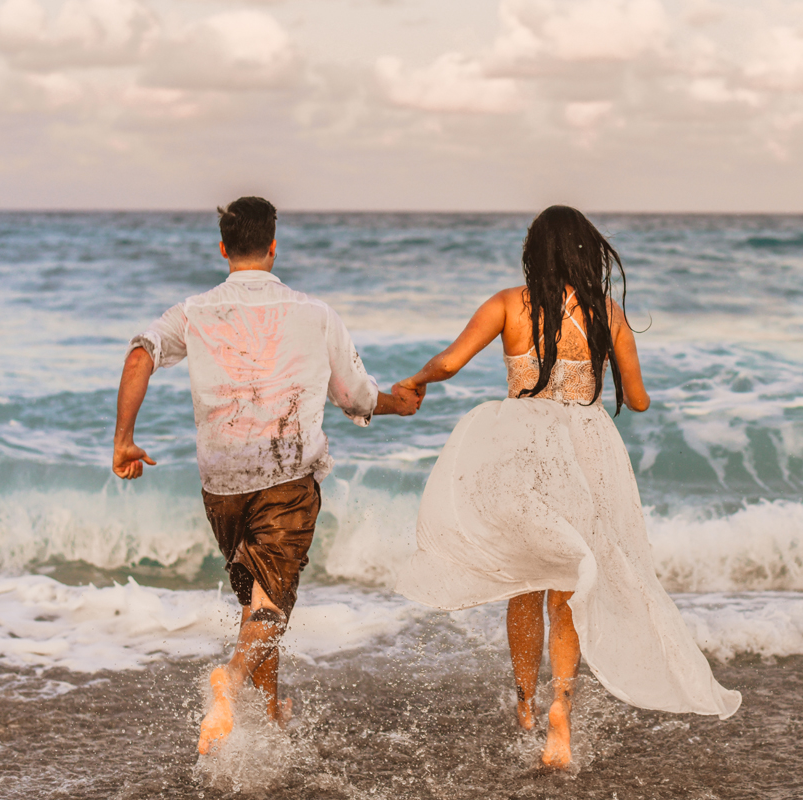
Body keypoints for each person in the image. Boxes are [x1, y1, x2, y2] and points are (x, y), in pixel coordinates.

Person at [395, 205, 740, 768]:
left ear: (535, 251)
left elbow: (451, 362)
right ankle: (561, 706)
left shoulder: (508, 303)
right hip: (585, 453)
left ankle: (525, 705)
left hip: (521, 447)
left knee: (525, 582)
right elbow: (640, 396)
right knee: (570, 582)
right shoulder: (608, 312)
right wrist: (610, 386)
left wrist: (416, 380)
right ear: (587, 252)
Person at [111, 196, 420, 756]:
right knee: (271, 608)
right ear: (274, 247)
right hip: (287, 477)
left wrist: (123, 440)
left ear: (224, 248)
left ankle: (272, 715)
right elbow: (355, 394)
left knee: (258, 605)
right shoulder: (315, 313)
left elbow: (139, 356)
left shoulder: (193, 312)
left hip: (222, 484)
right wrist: (398, 403)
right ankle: (228, 682)